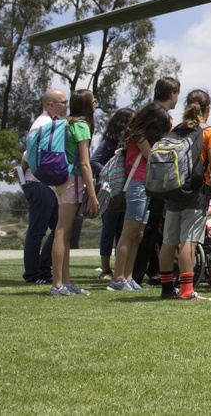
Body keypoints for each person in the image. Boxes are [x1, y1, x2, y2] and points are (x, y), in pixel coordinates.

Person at [158, 90, 211, 302]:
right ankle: (186, 291)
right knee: (189, 241)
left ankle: (167, 289)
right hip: (196, 192)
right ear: (208, 109)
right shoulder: (208, 131)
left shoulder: (176, 130)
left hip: (173, 190)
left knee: (169, 241)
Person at [109, 102, 172, 292]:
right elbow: (153, 157)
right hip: (137, 185)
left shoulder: (144, 135)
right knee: (128, 233)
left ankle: (128, 277)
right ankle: (118, 277)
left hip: (146, 186)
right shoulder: (140, 136)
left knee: (138, 235)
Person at [47, 89, 98, 295]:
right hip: (73, 180)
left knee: (64, 233)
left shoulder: (66, 123)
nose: (95, 104)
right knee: (62, 231)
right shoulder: (82, 126)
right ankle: (57, 284)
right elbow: (85, 164)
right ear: (87, 104)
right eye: (94, 101)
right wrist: (93, 196)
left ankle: (65, 281)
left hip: (60, 180)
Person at [132, 77, 181, 286]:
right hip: (152, 178)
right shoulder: (158, 113)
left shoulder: (151, 110)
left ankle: (153, 271)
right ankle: (136, 273)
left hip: (153, 177)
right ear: (172, 94)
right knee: (150, 227)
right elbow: (138, 134)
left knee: (155, 227)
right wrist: (153, 156)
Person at [20, 89, 67, 284]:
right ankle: (33, 274)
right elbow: (28, 154)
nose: (66, 105)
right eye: (63, 102)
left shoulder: (47, 123)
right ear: (51, 105)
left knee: (59, 228)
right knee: (38, 230)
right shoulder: (44, 124)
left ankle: (43, 269)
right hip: (39, 184)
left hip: (41, 184)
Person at [89, 107, 135, 282]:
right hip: (109, 191)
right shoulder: (110, 141)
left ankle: (120, 269)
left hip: (124, 191)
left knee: (121, 230)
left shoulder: (129, 141)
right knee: (108, 229)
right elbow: (93, 160)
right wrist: (108, 173)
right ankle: (105, 268)